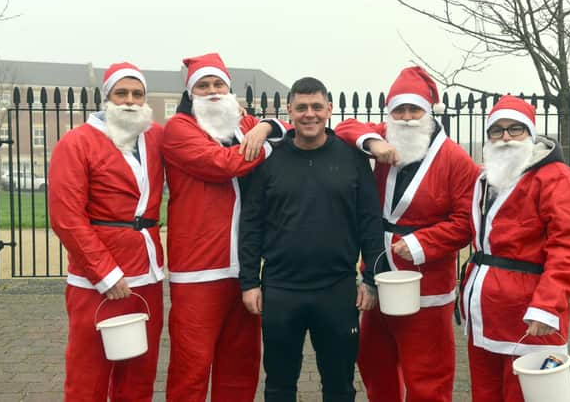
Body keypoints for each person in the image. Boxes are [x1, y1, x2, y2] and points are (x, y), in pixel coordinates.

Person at [335, 66, 479, 402]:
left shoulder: (456, 160)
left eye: (415, 109)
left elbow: (465, 221)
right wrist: (373, 143)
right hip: (378, 276)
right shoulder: (386, 136)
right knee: (374, 361)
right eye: (399, 109)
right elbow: (344, 127)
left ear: (429, 112)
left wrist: (419, 244)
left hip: (426, 282)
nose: (407, 117)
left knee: (427, 372)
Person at [238, 76, 385, 402]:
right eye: (301, 107)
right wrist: (249, 281)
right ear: (289, 111)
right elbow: (250, 224)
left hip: (337, 290)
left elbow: (370, 223)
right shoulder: (269, 159)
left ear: (329, 110)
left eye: (316, 106)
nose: (309, 114)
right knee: (278, 385)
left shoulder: (353, 160)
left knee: (340, 386)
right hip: (280, 289)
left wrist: (372, 279)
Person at [163, 52, 290, 402]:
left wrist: (264, 126)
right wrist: (264, 147)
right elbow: (220, 164)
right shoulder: (179, 129)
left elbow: (290, 129)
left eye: (219, 84)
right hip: (199, 268)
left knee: (241, 364)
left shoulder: (243, 125)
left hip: (245, 267)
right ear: (191, 93)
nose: (213, 91)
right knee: (192, 366)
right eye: (203, 86)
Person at [460, 95, 570, 402]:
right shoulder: (486, 178)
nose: (505, 137)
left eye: (515, 129)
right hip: (484, 313)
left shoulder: (554, 177)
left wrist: (548, 305)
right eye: (497, 130)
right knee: (486, 393)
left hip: (530, 313)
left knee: (527, 395)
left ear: (530, 134)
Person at [49, 62, 165, 401]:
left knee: (140, 373)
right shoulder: (77, 142)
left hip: (147, 275)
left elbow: (199, 135)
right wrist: (106, 273)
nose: (130, 101)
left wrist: (260, 126)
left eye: (137, 94)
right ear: (107, 98)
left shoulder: (155, 136)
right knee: (89, 373)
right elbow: (66, 217)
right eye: (121, 93)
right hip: (96, 281)